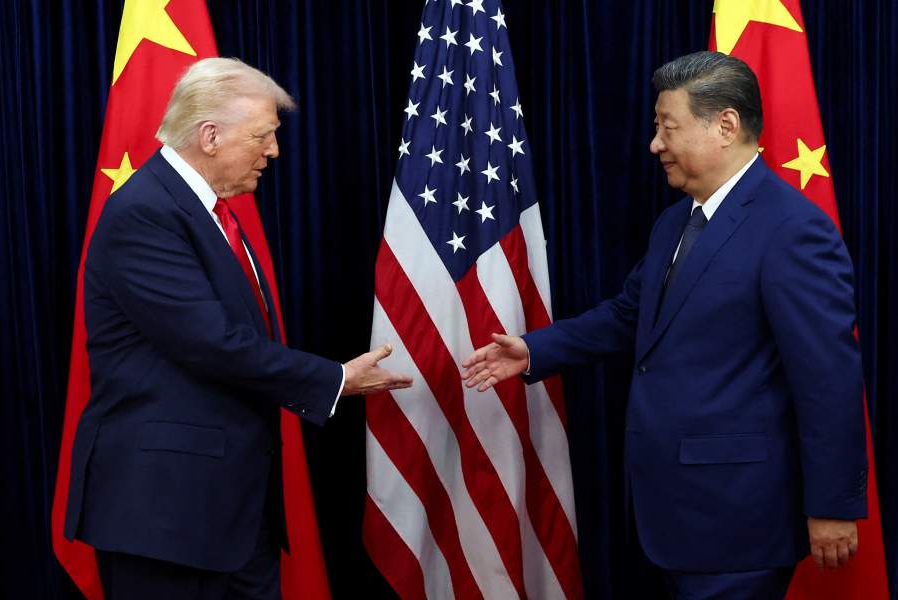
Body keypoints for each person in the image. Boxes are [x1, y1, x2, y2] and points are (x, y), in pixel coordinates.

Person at [461, 51, 867, 600]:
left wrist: (831, 505)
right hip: (673, 511)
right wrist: (535, 351)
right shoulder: (676, 220)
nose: (655, 145)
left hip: (739, 519)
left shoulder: (793, 229)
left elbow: (829, 379)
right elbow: (632, 315)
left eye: (666, 127)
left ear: (724, 125)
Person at [63, 58, 412, 600]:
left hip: (231, 513)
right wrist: (334, 380)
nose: (273, 151)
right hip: (165, 517)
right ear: (210, 136)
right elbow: (211, 342)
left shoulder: (209, 213)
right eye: (263, 136)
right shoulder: (145, 212)